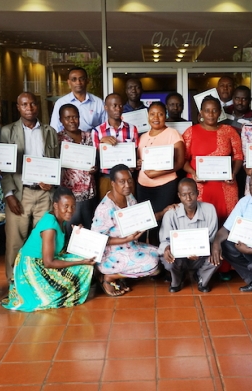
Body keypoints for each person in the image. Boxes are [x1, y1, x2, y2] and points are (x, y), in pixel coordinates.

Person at [2, 187, 95, 312]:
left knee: (83, 260)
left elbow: (58, 249)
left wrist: (76, 236)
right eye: (66, 206)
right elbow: (48, 263)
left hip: (41, 262)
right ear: (55, 205)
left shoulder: (58, 219)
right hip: (32, 267)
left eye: (73, 206)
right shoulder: (50, 227)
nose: (70, 210)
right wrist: (81, 262)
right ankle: (54, 294)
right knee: (85, 266)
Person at [0, 92, 60, 281]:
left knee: (44, 240)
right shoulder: (7, 131)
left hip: (44, 194)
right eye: (24, 104)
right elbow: (3, 165)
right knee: (15, 241)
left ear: (38, 106)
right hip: (20, 193)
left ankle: (41, 281)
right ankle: (14, 282)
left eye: (33, 104)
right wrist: (9, 194)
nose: (29, 108)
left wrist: (52, 181)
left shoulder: (50, 131)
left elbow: (57, 161)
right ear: (18, 107)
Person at [182, 96, 243, 281]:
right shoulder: (190, 132)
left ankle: (224, 267)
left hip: (226, 187)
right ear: (200, 113)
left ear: (220, 112)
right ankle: (200, 265)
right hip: (199, 187)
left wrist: (233, 173)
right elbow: (182, 160)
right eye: (207, 110)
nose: (211, 114)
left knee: (225, 221)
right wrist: (193, 173)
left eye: (215, 110)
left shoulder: (229, 131)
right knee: (201, 223)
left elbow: (239, 156)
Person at [91, 165, 160, 296]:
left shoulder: (129, 197)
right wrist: (126, 239)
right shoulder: (105, 208)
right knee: (153, 265)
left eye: (129, 180)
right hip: (111, 254)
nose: (127, 185)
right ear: (113, 183)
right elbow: (97, 239)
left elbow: (137, 219)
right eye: (122, 182)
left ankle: (119, 275)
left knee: (161, 255)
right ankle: (109, 276)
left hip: (130, 245)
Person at [159, 179, 219, 293]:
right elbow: (165, 240)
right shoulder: (171, 213)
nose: (188, 198)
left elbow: (212, 236)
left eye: (191, 193)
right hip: (179, 257)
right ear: (179, 196)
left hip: (202, 255)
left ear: (197, 193)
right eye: (184, 195)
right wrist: (167, 248)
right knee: (166, 257)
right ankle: (177, 280)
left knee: (218, 253)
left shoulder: (209, 209)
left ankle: (202, 277)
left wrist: (199, 250)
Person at [136, 102, 185, 244]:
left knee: (162, 222)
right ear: (147, 116)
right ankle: (148, 256)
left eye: (160, 114)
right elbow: (141, 161)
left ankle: (163, 257)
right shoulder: (143, 137)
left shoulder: (172, 134)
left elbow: (180, 163)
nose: (156, 117)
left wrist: (158, 173)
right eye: (152, 114)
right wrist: (138, 163)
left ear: (166, 116)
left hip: (165, 185)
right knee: (146, 222)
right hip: (143, 186)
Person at [91, 93, 139, 200]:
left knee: (129, 209)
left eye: (121, 105)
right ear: (106, 107)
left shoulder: (132, 129)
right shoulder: (97, 131)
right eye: (114, 105)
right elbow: (94, 158)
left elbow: (136, 153)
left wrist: (134, 164)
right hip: (106, 179)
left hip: (127, 179)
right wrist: (101, 143)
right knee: (106, 212)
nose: (118, 109)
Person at [57, 104, 98, 230]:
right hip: (69, 194)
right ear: (61, 120)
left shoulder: (89, 136)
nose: (72, 121)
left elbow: (95, 159)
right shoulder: (58, 139)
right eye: (67, 117)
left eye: (75, 117)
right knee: (70, 231)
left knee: (88, 230)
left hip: (89, 193)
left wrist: (95, 168)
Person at [50, 67, 106, 133]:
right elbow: (55, 128)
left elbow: (105, 127)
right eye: (74, 79)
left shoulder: (98, 103)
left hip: (92, 141)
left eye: (81, 79)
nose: (78, 82)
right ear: (69, 82)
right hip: (67, 142)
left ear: (87, 81)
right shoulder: (61, 103)